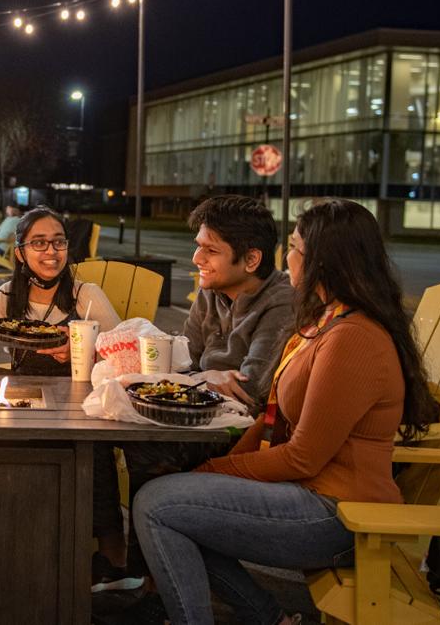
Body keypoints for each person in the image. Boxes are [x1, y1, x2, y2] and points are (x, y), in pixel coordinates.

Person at [132, 198, 440, 625]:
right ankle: (266, 617)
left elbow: (303, 456)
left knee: (156, 503)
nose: (287, 258)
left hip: (339, 513)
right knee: (174, 498)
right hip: (310, 495)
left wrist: (211, 473)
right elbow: (270, 420)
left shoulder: (351, 338)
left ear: (323, 261)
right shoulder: (325, 323)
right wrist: (211, 469)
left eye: (294, 247)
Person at [92, 194, 296, 588]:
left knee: (148, 447)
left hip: (248, 434)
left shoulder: (281, 302)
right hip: (201, 413)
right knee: (107, 429)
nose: (197, 259)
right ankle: (129, 561)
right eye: (198, 246)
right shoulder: (211, 290)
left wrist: (202, 376)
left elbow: (251, 389)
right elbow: (186, 361)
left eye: (210, 250)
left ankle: (146, 575)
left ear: (251, 260)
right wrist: (208, 377)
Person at [0, 206, 120, 375]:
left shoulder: (86, 295)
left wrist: (82, 352)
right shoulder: (7, 295)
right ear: (20, 254)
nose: (52, 251)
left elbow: (125, 357)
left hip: (76, 397)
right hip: (24, 396)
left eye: (59, 242)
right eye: (39, 243)